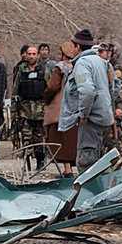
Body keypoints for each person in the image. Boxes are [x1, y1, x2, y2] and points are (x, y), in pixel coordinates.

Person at [58, 29, 113, 174]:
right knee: (100, 162)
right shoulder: (103, 62)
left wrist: (83, 114)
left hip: (91, 120)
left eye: (73, 45)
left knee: (86, 162)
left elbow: (87, 90)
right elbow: (114, 86)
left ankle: (91, 195)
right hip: (104, 117)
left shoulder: (82, 63)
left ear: (78, 47)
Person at [44, 42, 77, 177]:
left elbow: (52, 86)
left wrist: (47, 97)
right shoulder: (81, 66)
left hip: (62, 107)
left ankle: (67, 169)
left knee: (61, 139)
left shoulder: (60, 68)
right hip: (78, 108)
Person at [12, 46, 48, 169]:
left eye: (34, 54)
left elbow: (50, 88)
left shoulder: (44, 70)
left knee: (38, 139)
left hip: (40, 110)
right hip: (25, 109)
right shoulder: (21, 70)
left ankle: (40, 161)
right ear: (25, 55)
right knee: (26, 138)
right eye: (29, 54)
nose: (31, 56)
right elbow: (15, 90)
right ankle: (26, 163)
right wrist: (14, 109)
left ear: (37, 55)